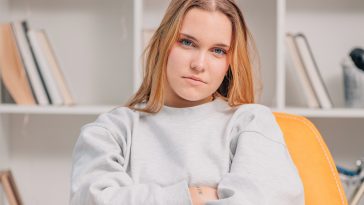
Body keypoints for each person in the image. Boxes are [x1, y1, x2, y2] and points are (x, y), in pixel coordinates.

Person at [70, 0, 305, 204]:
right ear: (163, 43)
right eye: (187, 43)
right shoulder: (111, 130)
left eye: (218, 50)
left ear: (230, 62)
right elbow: (91, 200)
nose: (199, 64)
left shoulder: (250, 122)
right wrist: (195, 196)